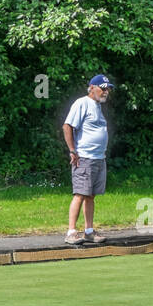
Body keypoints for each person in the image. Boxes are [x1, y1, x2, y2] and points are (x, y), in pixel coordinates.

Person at [62, 74, 114, 245]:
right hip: (84, 158)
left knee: (91, 196)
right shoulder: (82, 103)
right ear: (92, 87)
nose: (106, 92)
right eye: (103, 88)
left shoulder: (97, 106)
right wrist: (72, 151)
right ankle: (71, 232)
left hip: (99, 158)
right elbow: (67, 125)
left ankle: (89, 231)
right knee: (80, 194)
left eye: (108, 89)